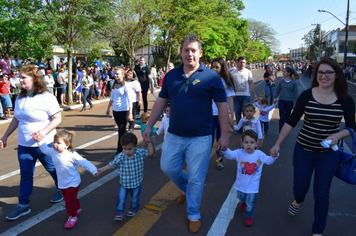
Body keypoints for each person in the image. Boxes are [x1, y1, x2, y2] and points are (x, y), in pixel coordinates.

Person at [143, 34, 229, 233]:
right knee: (168, 167)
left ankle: (193, 212)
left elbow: (222, 107)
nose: (189, 54)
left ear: (200, 53)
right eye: (186, 50)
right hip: (174, 135)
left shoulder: (211, 77)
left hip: (201, 137)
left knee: (196, 177)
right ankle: (185, 189)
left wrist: (223, 135)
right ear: (181, 52)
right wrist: (149, 127)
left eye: (193, 50)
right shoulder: (171, 75)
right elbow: (161, 101)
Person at [270, 57, 355, 236]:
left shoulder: (345, 100)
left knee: (322, 193)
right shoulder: (307, 96)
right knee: (300, 186)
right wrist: (277, 144)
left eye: (329, 72)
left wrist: (338, 135)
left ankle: (318, 230)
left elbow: (351, 126)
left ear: (337, 75)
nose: (324, 76)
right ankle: (298, 200)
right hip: (303, 150)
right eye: (321, 72)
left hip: (328, 154)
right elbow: (291, 121)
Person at [0, 65, 63, 221]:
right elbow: (16, 118)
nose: (20, 80)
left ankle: (62, 189)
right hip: (24, 146)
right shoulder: (20, 98)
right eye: (20, 77)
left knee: (51, 168)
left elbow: (57, 119)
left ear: (34, 79)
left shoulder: (46, 97)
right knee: (26, 175)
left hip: (44, 144)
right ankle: (23, 206)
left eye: (23, 77)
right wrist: (5, 136)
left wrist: (43, 132)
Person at [36, 130, 97, 228]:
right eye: (54, 142)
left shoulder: (72, 154)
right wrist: (39, 141)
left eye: (58, 143)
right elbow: (44, 150)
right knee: (69, 199)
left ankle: (73, 217)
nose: (55, 144)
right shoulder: (53, 152)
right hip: (62, 182)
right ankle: (77, 209)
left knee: (68, 201)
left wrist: (94, 170)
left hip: (73, 182)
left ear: (67, 145)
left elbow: (84, 162)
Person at [222, 130, 278, 226]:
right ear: (241, 143)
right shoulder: (239, 153)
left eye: (252, 143)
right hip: (240, 185)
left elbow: (268, 161)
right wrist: (224, 149)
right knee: (241, 197)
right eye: (246, 142)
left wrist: (274, 156)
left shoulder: (259, 155)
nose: (249, 145)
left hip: (253, 187)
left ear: (256, 144)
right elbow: (230, 155)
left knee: (250, 204)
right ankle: (243, 202)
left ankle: (249, 216)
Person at [95, 133, 149, 221]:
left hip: (136, 182)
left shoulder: (139, 153)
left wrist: (149, 143)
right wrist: (102, 169)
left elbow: (149, 152)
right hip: (124, 183)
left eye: (129, 149)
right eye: (124, 149)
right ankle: (119, 212)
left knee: (135, 198)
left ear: (136, 146)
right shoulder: (121, 156)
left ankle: (134, 209)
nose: (127, 151)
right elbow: (112, 164)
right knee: (121, 198)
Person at [211, 57, 235, 170]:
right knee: (208, 140)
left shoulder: (226, 81)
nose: (214, 69)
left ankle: (219, 161)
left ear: (222, 68)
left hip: (222, 115)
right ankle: (203, 163)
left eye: (217, 67)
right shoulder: (208, 79)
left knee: (220, 139)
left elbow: (230, 99)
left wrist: (232, 116)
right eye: (213, 67)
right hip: (209, 115)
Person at [106, 66, 133, 154]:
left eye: (117, 74)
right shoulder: (113, 83)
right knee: (122, 130)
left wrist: (130, 113)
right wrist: (108, 108)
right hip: (115, 110)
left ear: (122, 75)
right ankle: (129, 143)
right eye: (115, 74)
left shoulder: (126, 85)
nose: (116, 75)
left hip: (123, 110)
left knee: (121, 130)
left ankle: (120, 150)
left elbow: (130, 100)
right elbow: (112, 97)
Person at [231, 57, 258, 133]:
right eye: (241, 62)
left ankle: (246, 127)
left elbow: (251, 84)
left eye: (244, 63)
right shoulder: (233, 73)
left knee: (246, 112)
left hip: (245, 95)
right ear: (237, 62)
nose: (242, 64)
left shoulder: (248, 72)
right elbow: (230, 85)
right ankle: (239, 129)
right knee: (237, 112)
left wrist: (255, 94)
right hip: (236, 96)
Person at [273, 67, 299, 132]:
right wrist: (275, 98)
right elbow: (277, 91)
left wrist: (296, 104)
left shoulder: (293, 83)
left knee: (287, 117)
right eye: (283, 71)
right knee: (282, 117)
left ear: (289, 73)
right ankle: (281, 131)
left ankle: (286, 131)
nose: (283, 73)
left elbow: (296, 94)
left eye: (284, 71)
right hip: (282, 101)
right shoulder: (281, 82)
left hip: (290, 102)